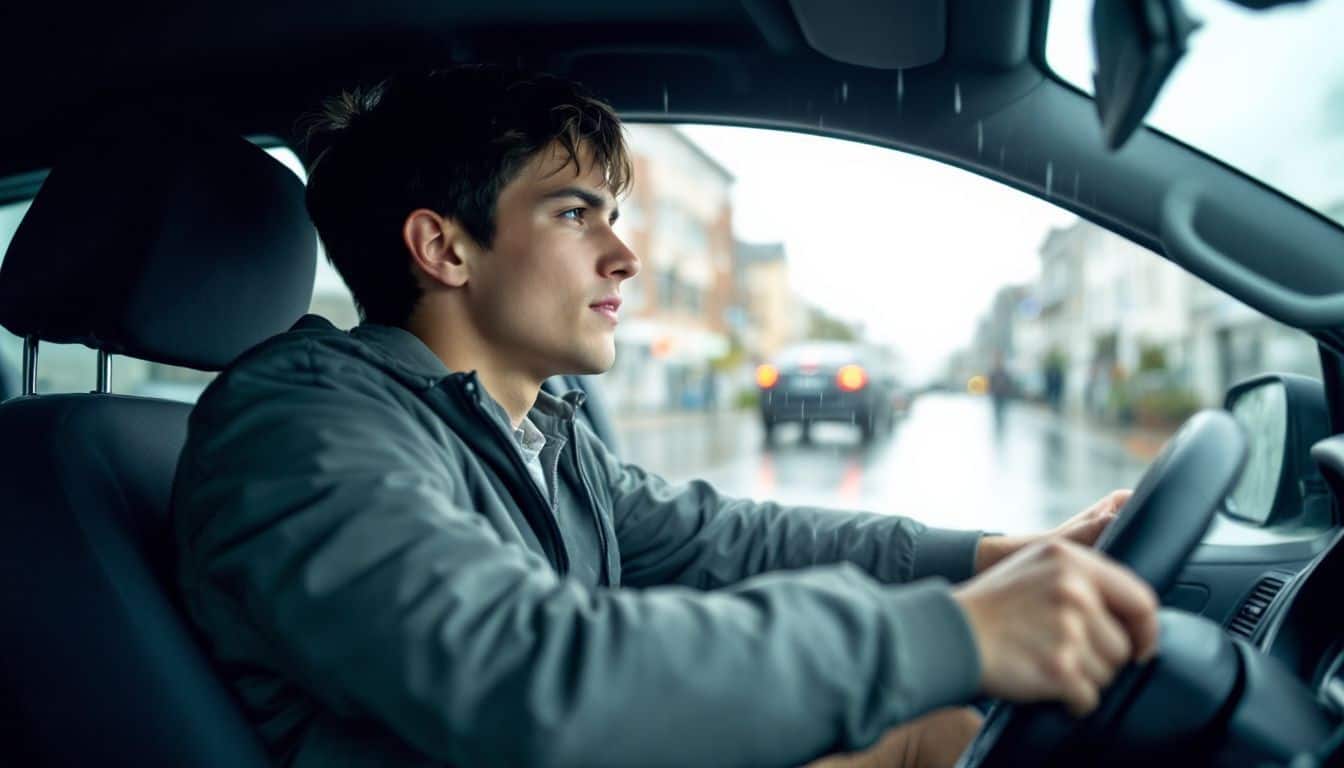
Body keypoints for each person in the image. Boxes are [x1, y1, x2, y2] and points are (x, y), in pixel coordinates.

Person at [170, 66, 1159, 768]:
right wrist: (953, 635)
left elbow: (732, 540)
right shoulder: (298, 426)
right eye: (573, 214)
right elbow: (524, 675)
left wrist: (1002, 559)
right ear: (445, 247)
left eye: (613, 214)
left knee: (940, 732)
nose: (625, 256)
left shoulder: (534, 431)